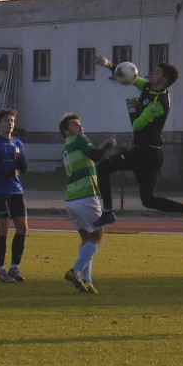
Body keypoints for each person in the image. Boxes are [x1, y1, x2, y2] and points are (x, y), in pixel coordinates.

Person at [93, 57, 183, 233]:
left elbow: (137, 125)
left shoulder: (159, 102)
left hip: (146, 152)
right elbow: (131, 78)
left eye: (157, 72)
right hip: (151, 153)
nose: (151, 73)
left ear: (164, 80)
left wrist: (132, 110)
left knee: (104, 166)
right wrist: (109, 66)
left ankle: (107, 212)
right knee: (148, 200)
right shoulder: (149, 87)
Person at [60, 112, 116, 294]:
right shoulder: (79, 139)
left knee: (86, 239)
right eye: (75, 124)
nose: (80, 127)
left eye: (80, 124)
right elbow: (97, 156)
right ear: (67, 131)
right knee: (98, 237)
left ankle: (88, 281)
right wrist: (109, 146)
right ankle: (75, 271)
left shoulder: (66, 146)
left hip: (71, 198)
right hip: (86, 195)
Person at [0, 108, 28, 282]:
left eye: (12, 121)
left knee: (22, 227)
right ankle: (0, 270)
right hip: (0, 191)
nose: (10, 123)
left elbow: (24, 168)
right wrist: (6, 172)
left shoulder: (18, 144)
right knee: (3, 227)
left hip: (16, 190)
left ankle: (15, 267)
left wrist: (17, 160)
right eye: (6, 120)